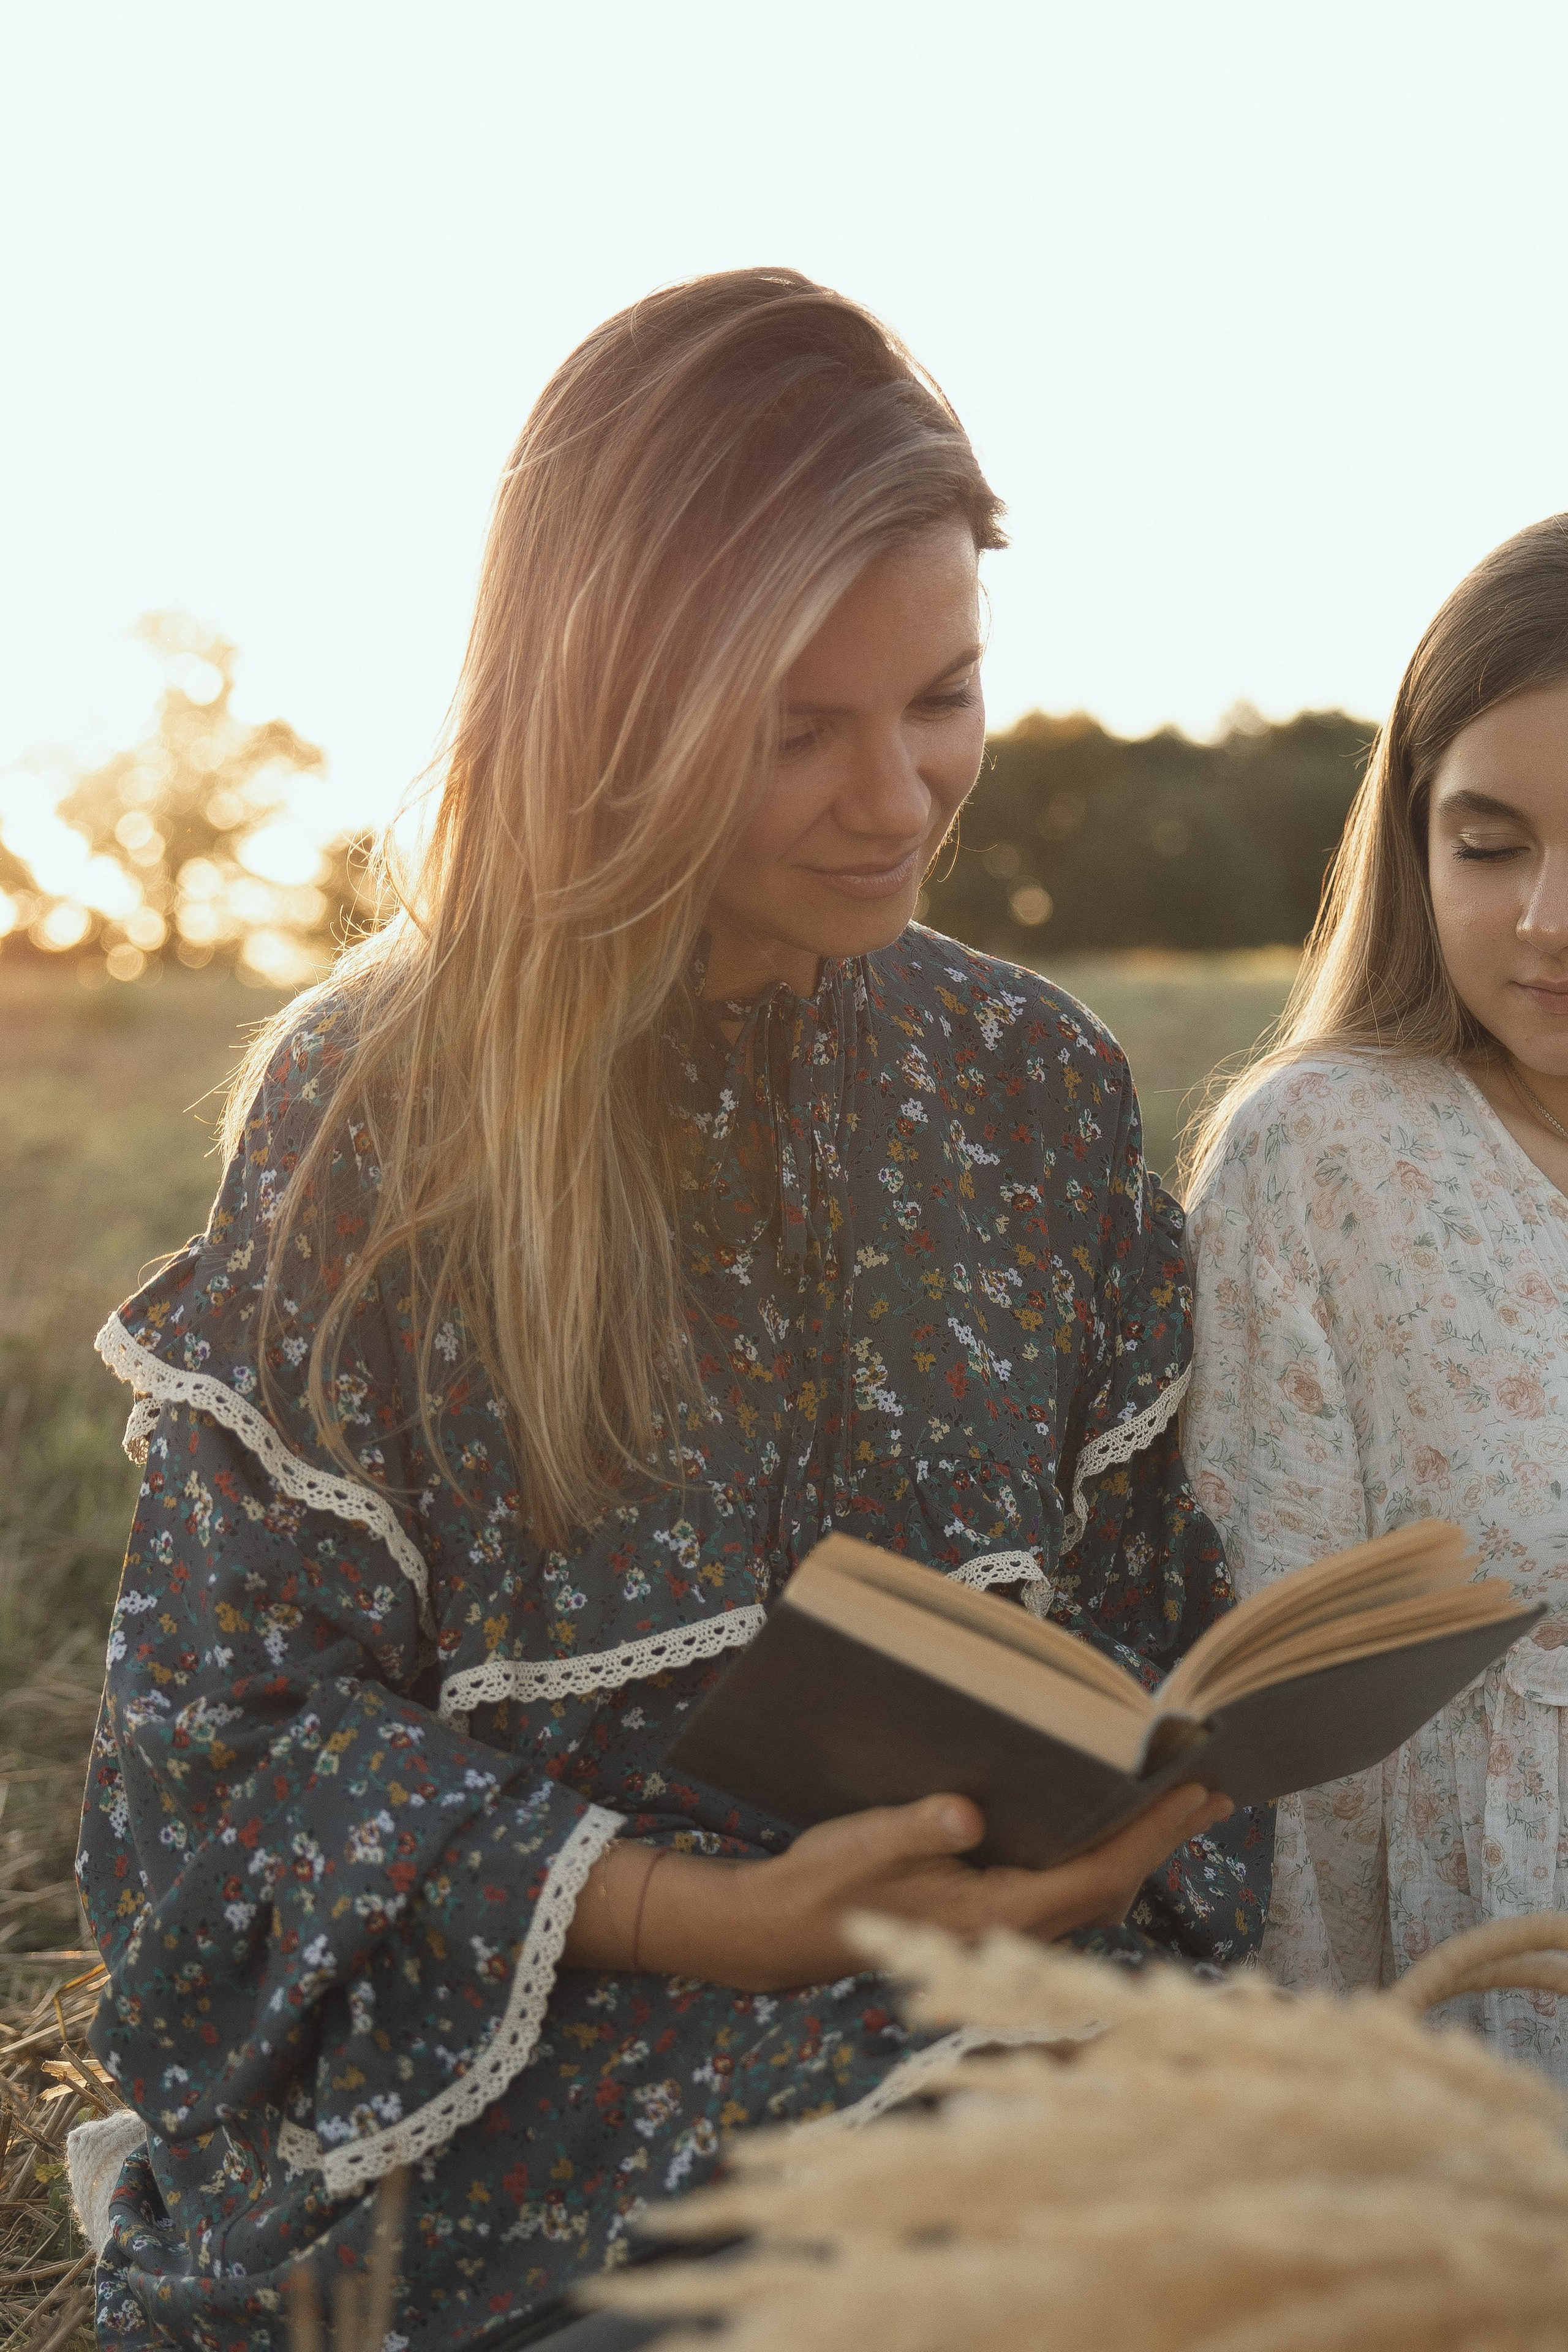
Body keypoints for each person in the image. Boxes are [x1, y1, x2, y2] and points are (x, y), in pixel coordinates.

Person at [81, 269, 1268, 2352]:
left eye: (943, 699)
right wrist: (707, 1917)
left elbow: (1137, 1595)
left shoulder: (1033, 1082)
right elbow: (232, 1755)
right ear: (605, 707)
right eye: (796, 728)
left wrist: (1111, 1841)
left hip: (993, 2007)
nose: (900, 797)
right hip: (543, 2080)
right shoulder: (379, 1114)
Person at [1183, 512, 1568, 2070]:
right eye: (1487, 845)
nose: (1545, 922)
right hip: (1461, 2046)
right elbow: (1276, 1725)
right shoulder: (1325, 1155)